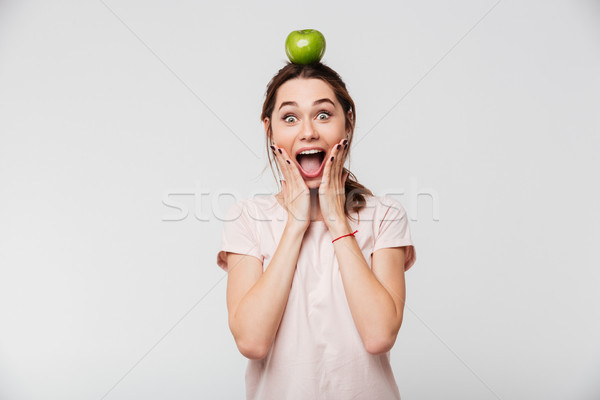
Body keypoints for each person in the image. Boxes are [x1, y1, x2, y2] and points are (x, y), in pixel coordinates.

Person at [216, 61, 416, 400]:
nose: (308, 131)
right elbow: (252, 342)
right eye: (290, 118)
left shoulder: (384, 215)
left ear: (348, 122)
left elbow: (379, 335)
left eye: (323, 114)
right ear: (270, 131)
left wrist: (336, 219)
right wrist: (296, 225)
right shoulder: (246, 218)